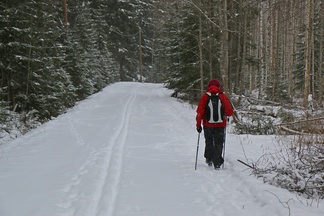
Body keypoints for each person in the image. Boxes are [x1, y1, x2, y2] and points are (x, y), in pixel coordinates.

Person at [195, 79, 233, 169]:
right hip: (220, 125)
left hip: (208, 124)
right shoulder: (222, 96)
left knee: (209, 141)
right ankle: (217, 162)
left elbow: (200, 112)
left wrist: (198, 125)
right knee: (219, 142)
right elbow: (229, 112)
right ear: (218, 86)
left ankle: (209, 159)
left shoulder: (205, 97)